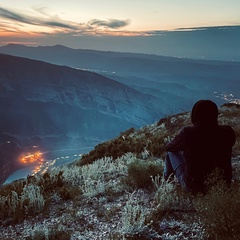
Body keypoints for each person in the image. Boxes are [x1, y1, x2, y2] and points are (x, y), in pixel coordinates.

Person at [164, 99, 236, 194]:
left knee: (171, 153)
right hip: (222, 186)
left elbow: (169, 147)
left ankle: (166, 185)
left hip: (194, 188)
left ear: (195, 115)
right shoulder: (227, 132)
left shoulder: (189, 133)